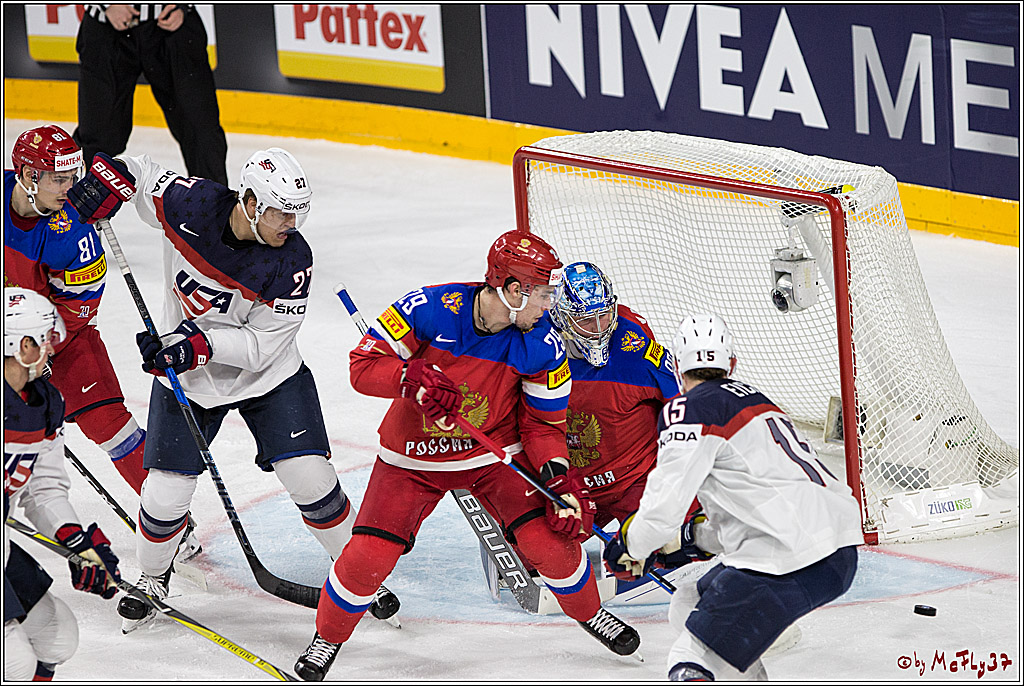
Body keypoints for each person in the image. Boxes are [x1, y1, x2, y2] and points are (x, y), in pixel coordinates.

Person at [67, 147, 397, 633]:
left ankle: (357, 577)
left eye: (298, 214)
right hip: (191, 381)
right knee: (163, 493)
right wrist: (111, 175)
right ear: (250, 202)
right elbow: (141, 173)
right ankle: (154, 577)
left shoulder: (291, 262)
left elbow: (263, 347)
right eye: (283, 213)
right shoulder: (190, 204)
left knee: (311, 480)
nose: (292, 225)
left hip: (270, 378)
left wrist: (196, 345)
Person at [295, 231, 641, 681]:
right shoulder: (427, 309)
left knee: (549, 546)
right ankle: (327, 638)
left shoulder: (544, 343)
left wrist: (557, 478)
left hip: (493, 458)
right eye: (542, 293)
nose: (547, 305)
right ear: (514, 290)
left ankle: (590, 613)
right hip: (412, 458)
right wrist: (409, 377)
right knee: (368, 557)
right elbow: (362, 368)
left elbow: (543, 424)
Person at [603, 314, 863, 680]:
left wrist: (632, 544)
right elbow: (760, 504)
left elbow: (663, 511)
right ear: (731, 364)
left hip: (785, 559)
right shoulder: (759, 402)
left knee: (691, 656)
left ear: (677, 367)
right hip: (835, 551)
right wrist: (695, 540)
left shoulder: (688, 409)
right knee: (689, 602)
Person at [4, 125, 151, 498]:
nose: (70, 188)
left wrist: (35, 350)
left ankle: (167, 520)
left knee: (109, 424)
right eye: (58, 179)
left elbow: (79, 307)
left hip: (61, 339)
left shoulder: (74, 233)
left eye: (74, 177)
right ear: (26, 175)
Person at [4, 287, 123, 681]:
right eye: (46, 339)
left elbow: (43, 486)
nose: (53, 349)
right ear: (22, 345)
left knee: (57, 638)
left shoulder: (42, 402)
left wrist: (77, 542)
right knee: (14, 663)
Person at [74, 4, 228, 186]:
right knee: (98, 136)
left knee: (201, 131)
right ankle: (75, 209)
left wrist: (184, 5)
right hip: (106, 25)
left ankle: (213, 210)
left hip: (173, 23)